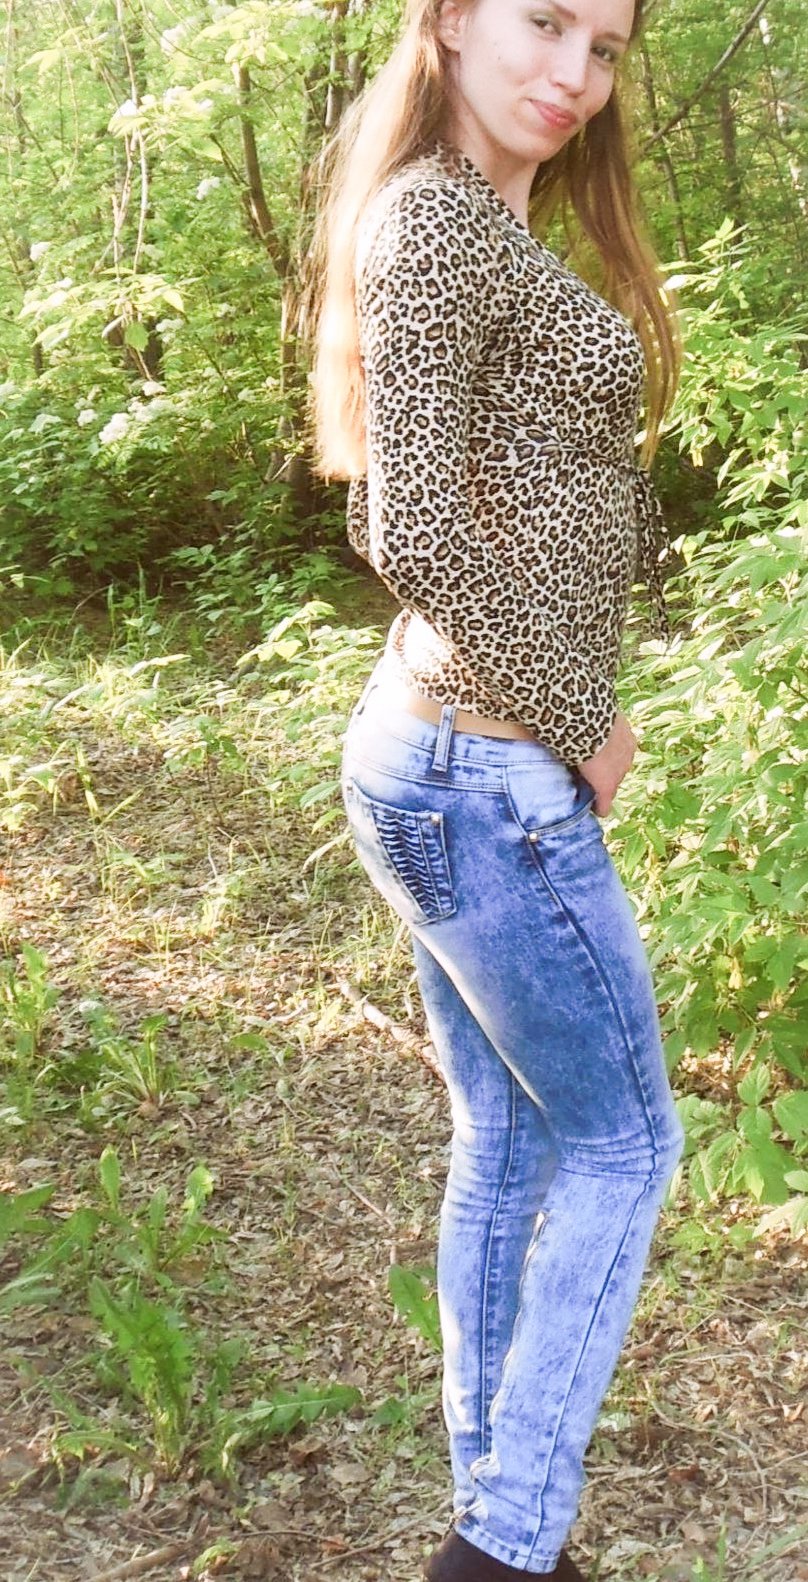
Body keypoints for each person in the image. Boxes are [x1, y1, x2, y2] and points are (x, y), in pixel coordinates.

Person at [305, 2, 686, 1577]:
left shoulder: (474, 220)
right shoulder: (439, 222)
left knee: (512, 1142)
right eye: (543, 22)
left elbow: (477, 491)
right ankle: (505, 1550)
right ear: (451, 20)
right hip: (488, 767)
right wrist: (583, 715)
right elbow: (408, 528)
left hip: (438, 753)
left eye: (604, 47)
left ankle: (494, 1513)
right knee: (630, 1145)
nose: (573, 75)